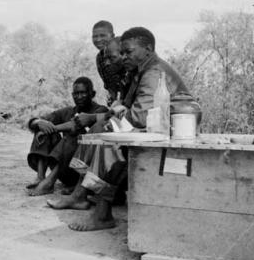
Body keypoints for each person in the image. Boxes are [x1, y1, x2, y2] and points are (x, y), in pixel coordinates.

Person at [60, 27, 197, 231]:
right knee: (104, 131)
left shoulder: (153, 72)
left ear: (148, 49)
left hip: (173, 128)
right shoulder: (141, 70)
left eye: (128, 52)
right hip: (158, 126)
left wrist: (116, 118)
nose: (124, 57)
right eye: (122, 53)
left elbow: (139, 116)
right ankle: (83, 196)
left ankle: (102, 214)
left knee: (109, 142)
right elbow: (132, 107)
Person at [26, 77, 107, 197]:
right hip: (65, 169)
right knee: (44, 129)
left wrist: (54, 128)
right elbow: (37, 121)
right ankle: (40, 177)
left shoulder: (100, 110)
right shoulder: (68, 111)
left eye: (83, 93)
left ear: (92, 94)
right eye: (76, 94)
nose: (79, 97)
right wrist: (38, 122)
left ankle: (49, 182)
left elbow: (76, 124)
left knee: (73, 135)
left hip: (83, 170)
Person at [92, 20, 127, 105]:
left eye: (102, 36)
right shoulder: (99, 59)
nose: (98, 39)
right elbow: (110, 86)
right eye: (94, 36)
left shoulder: (125, 50)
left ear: (112, 36)